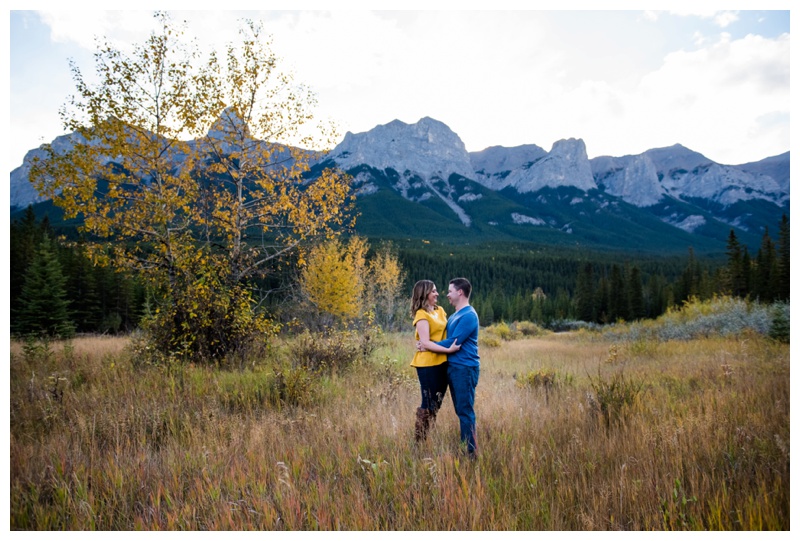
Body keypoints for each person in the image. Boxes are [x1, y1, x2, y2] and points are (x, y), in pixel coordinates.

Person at [422, 278, 480, 457]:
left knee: (465, 411)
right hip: (453, 368)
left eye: (450, 291)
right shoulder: (454, 315)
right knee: (460, 410)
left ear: (460, 292)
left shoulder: (469, 315)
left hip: (465, 368)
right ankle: (467, 447)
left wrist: (428, 344)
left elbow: (454, 342)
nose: (446, 294)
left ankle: (470, 453)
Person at [410, 280, 461, 443]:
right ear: (425, 294)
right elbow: (425, 342)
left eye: (437, 291)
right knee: (428, 403)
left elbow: (443, 335)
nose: (437, 294)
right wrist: (448, 350)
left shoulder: (440, 311)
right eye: (433, 291)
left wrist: (438, 347)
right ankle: (419, 442)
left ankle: (426, 437)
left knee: (436, 404)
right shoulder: (421, 314)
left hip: (442, 363)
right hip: (427, 365)